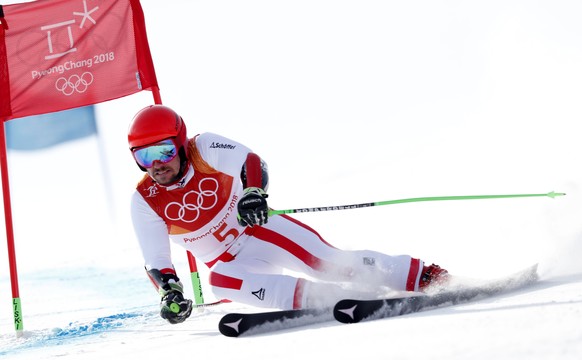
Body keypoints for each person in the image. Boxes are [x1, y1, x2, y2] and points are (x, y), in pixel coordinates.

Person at [128, 105, 449, 324]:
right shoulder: (145, 200)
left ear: (181, 143)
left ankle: (423, 275)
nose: (156, 164)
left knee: (326, 263)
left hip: (258, 230)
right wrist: (170, 293)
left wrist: (253, 192)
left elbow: (250, 162)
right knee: (220, 282)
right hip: (233, 262)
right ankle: (328, 300)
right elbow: (157, 261)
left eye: (164, 150)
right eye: (143, 156)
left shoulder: (204, 148)